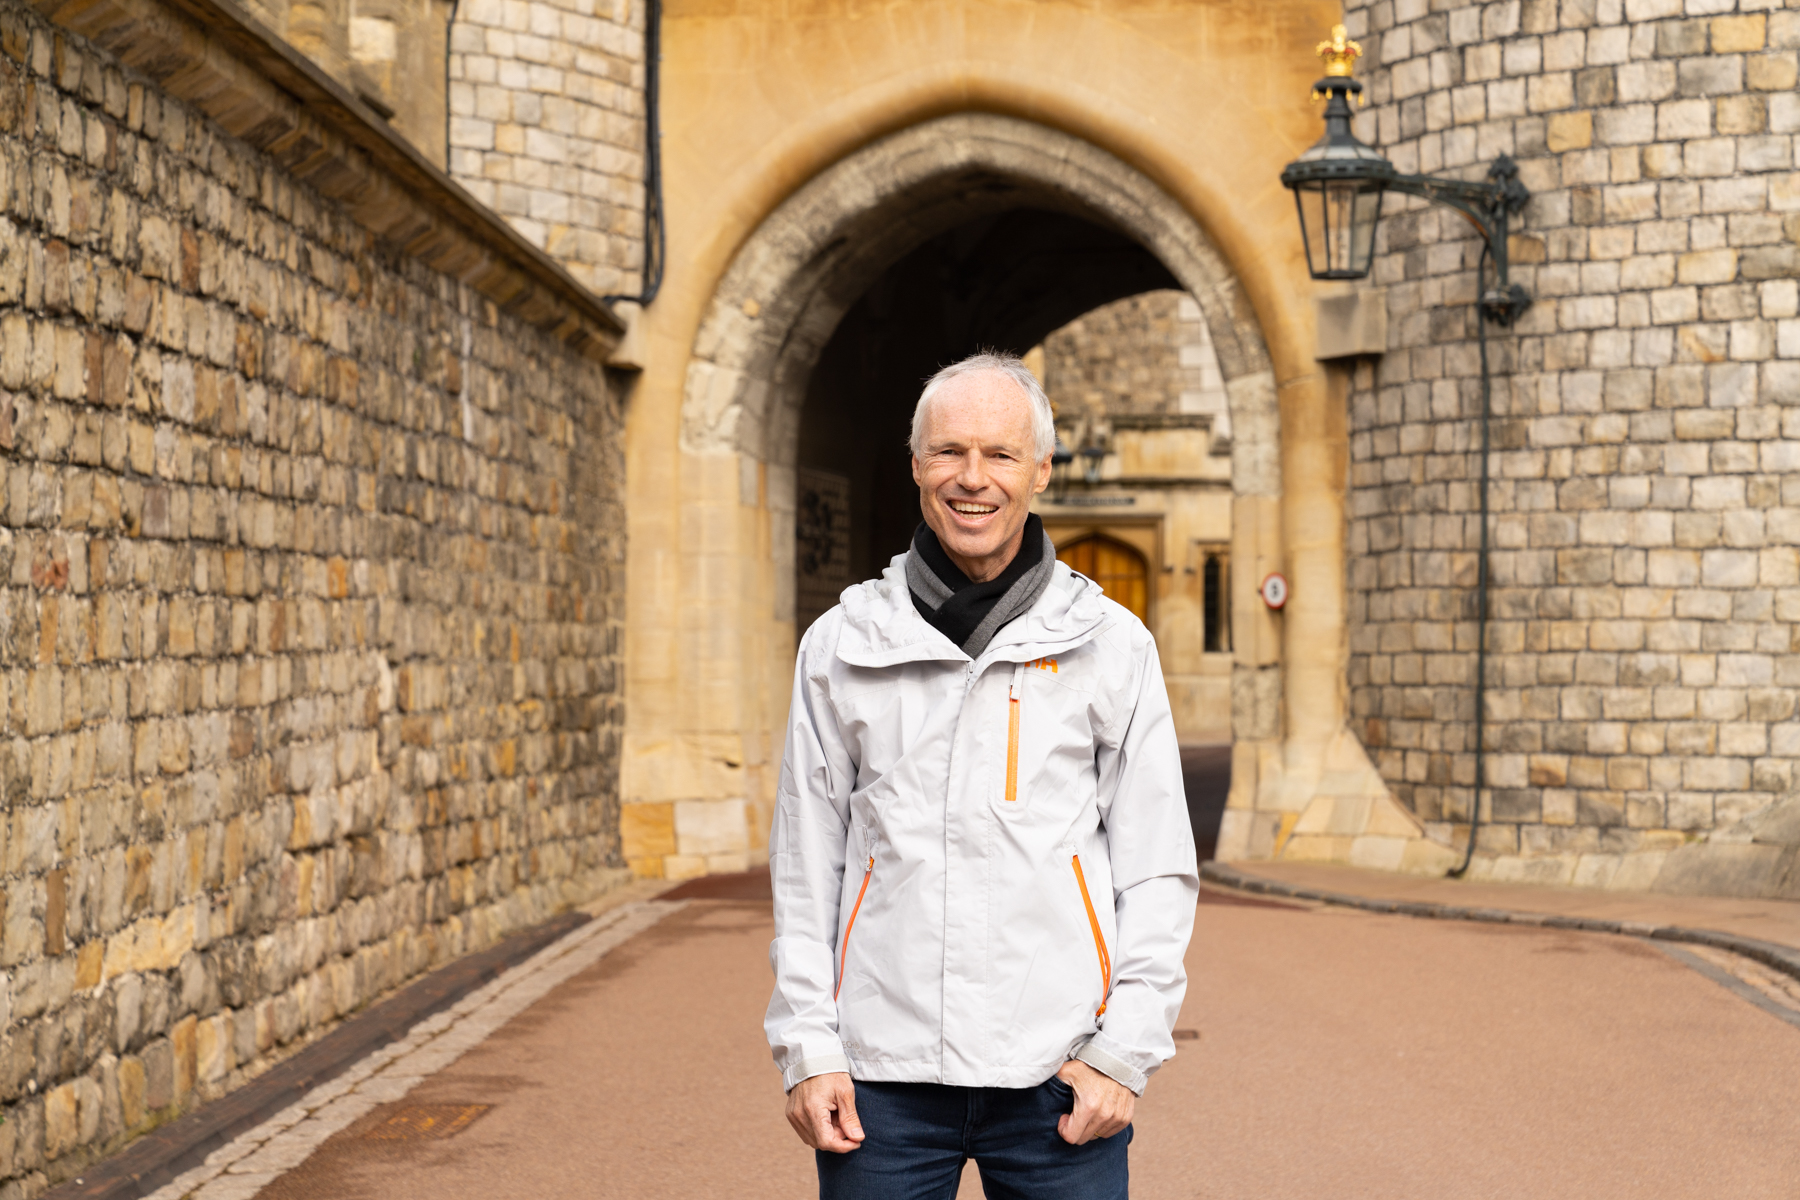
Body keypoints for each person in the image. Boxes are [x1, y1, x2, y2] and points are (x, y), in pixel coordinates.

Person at [765, 352, 1198, 1200]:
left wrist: (1122, 1052)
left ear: (1041, 468)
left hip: (1058, 1077)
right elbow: (805, 867)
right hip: (880, 1082)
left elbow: (1157, 867)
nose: (973, 479)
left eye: (999, 455)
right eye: (949, 452)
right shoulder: (841, 645)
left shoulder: (1112, 646)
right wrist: (808, 1049)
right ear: (917, 465)